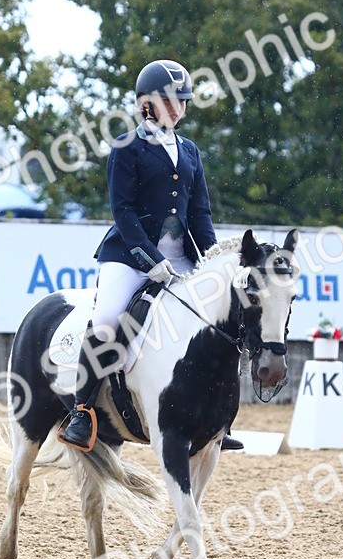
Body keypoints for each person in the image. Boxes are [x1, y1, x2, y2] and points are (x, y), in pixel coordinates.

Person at [59, 58, 243, 453]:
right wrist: (148, 260)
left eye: (182, 101)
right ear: (146, 103)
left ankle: (217, 418)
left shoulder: (190, 151)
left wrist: (209, 262)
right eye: (170, 100)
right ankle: (82, 410)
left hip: (180, 259)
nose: (178, 108)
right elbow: (122, 211)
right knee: (107, 319)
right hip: (128, 256)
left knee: (221, 318)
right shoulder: (127, 147)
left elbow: (200, 214)